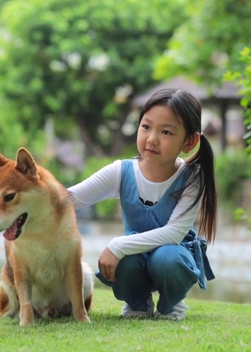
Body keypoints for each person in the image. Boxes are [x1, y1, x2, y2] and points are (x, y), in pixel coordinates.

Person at [68, 88, 216, 320]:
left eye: (166, 132)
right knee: (128, 260)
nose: (152, 139)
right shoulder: (122, 171)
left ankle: (171, 304)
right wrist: (28, 188)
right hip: (135, 257)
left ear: (189, 142)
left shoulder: (192, 177)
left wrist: (117, 246)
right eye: (146, 127)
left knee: (167, 257)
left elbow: (174, 234)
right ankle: (138, 303)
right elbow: (70, 199)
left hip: (174, 255)